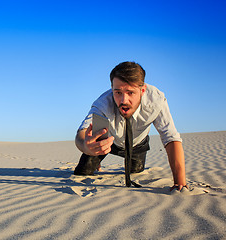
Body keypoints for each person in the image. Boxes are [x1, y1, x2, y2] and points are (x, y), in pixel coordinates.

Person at [74, 61, 187, 191]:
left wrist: (180, 183)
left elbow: (170, 137)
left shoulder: (156, 100)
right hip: (107, 142)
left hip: (137, 144)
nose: (123, 100)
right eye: (118, 92)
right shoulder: (102, 104)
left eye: (130, 93)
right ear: (112, 89)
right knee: (81, 172)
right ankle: (97, 160)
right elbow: (81, 133)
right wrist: (86, 147)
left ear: (142, 90)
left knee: (136, 171)